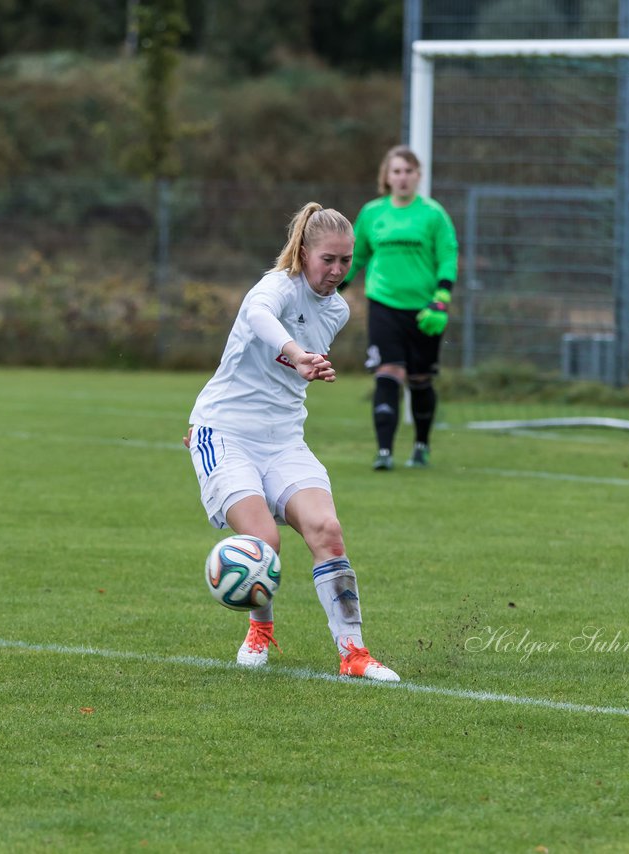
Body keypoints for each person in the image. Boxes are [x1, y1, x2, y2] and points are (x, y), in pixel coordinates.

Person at [184, 202, 399, 682]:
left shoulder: (338, 309)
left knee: (327, 530)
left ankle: (354, 654)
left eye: (347, 260)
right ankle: (260, 629)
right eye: (329, 259)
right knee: (265, 541)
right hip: (225, 431)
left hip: (283, 439)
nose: (339, 270)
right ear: (303, 254)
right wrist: (300, 355)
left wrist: (308, 364)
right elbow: (259, 315)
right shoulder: (275, 288)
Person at [342, 145, 459, 471]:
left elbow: (447, 257)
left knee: (420, 379)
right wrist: (334, 288)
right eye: (396, 171)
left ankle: (421, 446)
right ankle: (384, 452)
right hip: (383, 304)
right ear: (387, 177)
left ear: (418, 175)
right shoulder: (372, 213)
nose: (403, 177)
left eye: (409, 171)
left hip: (424, 311)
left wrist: (442, 299)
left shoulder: (433, 214)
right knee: (387, 372)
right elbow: (356, 256)